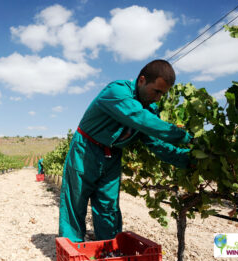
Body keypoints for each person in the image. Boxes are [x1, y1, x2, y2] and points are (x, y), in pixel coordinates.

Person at [59, 59, 193, 242]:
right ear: (142, 80)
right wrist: (182, 136)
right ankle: (72, 249)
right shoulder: (117, 91)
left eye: (163, 94)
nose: (158, 98)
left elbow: (157, 143)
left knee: (109, 208)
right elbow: (139, 118)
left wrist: (191, 159)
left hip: (112, 156)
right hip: (86, 150)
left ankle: (109, 251)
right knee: (75, 202)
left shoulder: (149, 109)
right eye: (157, 91)